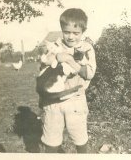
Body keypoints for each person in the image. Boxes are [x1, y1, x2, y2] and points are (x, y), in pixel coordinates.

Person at [39, 8, 96, 153]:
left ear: (83, 31)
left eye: (76, 33)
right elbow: (43, 68)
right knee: (51, 142)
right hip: (53, 102)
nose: (71, 37)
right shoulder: (54, 46)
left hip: (76, 100)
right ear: (61, 29)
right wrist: (56, 58)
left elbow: (89, 73)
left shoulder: (87, 48)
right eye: (66, 32)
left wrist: (69, 60)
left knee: (80, 140)